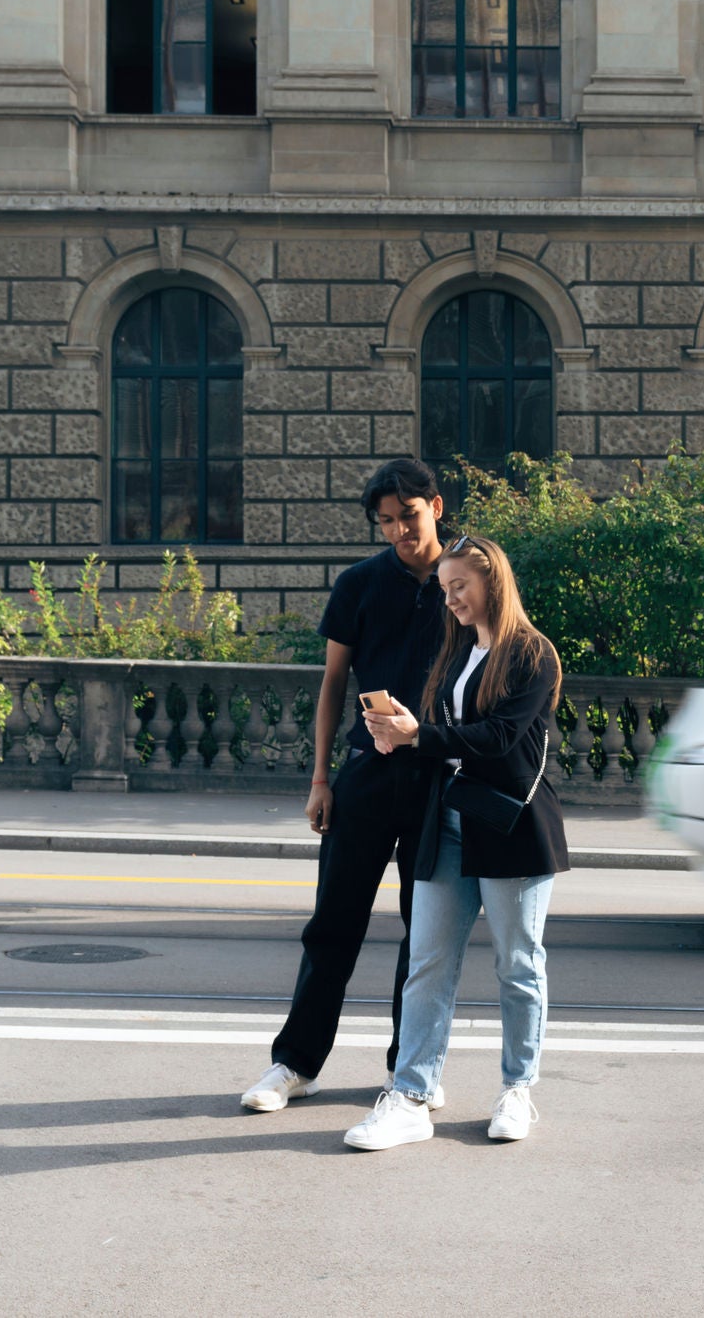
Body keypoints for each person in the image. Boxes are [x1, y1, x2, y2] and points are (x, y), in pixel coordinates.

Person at [343, 534, 569, 1151]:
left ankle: (518, 1090)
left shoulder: (533, 654)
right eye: (444, 591)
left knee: (517, 965)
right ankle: (411, 1095)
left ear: (492, 580)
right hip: (447, 821)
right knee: (428, 962)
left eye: (460, 587)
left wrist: (423, 736)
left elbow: (496, 738)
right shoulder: (458, 651)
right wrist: (397, 735)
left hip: (510, 827)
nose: (451, 601)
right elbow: (443, 737)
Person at [240, 460, 450, 1113]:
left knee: (426, 935)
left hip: (438, 776)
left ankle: (412, 1070)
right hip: (365, 775)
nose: (398, 533)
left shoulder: (467, 579)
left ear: (435, 507)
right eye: (386, 522)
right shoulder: (359, 584)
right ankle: (295, 1064)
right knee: (332, 926)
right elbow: (332, 683)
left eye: (407, 518)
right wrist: (320, 779)